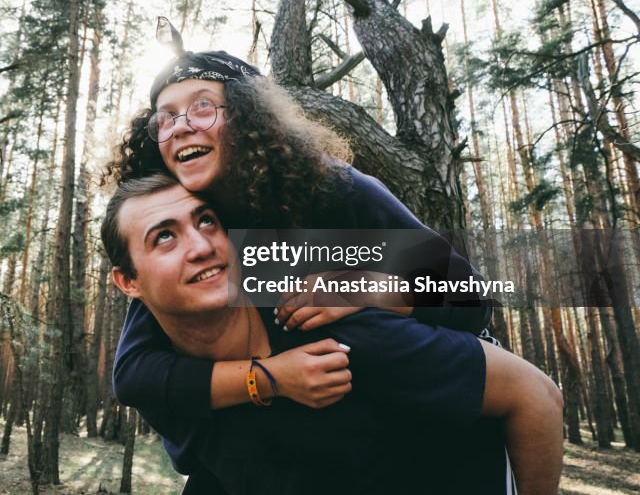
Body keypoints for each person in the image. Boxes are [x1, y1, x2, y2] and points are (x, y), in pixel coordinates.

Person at [102, 174, 564, 494]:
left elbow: (536, 393)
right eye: (164, 237)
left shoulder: (335, 334)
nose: (201, 246)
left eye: (207, 221)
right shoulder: (165, 385)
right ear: (128, 283)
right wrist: (267, 380)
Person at [106, 50, 496, 426]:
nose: (181, 126)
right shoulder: (193, 229)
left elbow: (471, 297)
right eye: (165, 118)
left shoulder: (334, 189)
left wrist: (367, 288)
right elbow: (136, 373)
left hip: (446, 409)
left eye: (203, 106)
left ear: (247, 117)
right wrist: (269, 378)